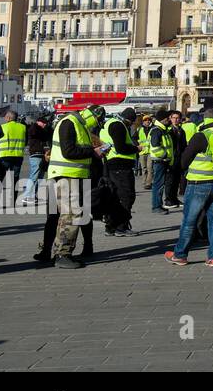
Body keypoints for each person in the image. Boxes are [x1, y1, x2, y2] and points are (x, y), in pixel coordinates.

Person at [165, 104, 213, 266]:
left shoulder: (203, 136)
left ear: (206, 118)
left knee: (189, 220)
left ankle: (180, 254)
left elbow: (183, 161)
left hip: (199, 184)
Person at [45, 106, 104, 269]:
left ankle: (60, 253)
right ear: (90, 115)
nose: (95, 125)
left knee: (69, 214)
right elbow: (69, 151)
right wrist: (93, 152)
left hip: (72, 175)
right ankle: (63, 254)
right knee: (71, 214)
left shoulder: (77, 124)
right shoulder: (70, 122)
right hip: (66, 175)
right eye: (96, 120)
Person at [100, 107, 141, 237]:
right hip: (120, 166)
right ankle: (121, 227)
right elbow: (121, 147)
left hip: (112, 165)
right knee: (126, 197)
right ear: (130, 120)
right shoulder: (118, 125)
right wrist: (136, 148)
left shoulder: (111, 123)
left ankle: (111, 226)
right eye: (132, 122)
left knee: (115, 197)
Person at [0, 109, 27, 192]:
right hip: (18, 157)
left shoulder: (4, 127)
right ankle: (14, 199)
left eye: (5, 116)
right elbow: (26, 142)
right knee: (15, 178)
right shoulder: (23, 127)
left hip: (5, 157)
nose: (4, 118)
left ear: (8, 118)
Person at [22, 114, 50, 205]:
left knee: (39, 177)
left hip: (41, 155)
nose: (45, 125)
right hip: (35, 155)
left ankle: (33, 195)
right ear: (38, 122)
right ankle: (27, 196)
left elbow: (46, 136)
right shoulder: (34, 128)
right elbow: (35, 132)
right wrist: (39, 126)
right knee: (34, 176)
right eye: (43, 123)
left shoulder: (42, 130)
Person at [161, 110, 186, 210]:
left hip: (179, 157)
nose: (175, 120)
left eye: (177, 118)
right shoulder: (168, 130)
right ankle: (168, 199)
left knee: (176, 179)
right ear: (170, 119)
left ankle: (174, 198)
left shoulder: (181, 130)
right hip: (171, 157)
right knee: (169, 180)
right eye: (173, 118)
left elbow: (183, 144)